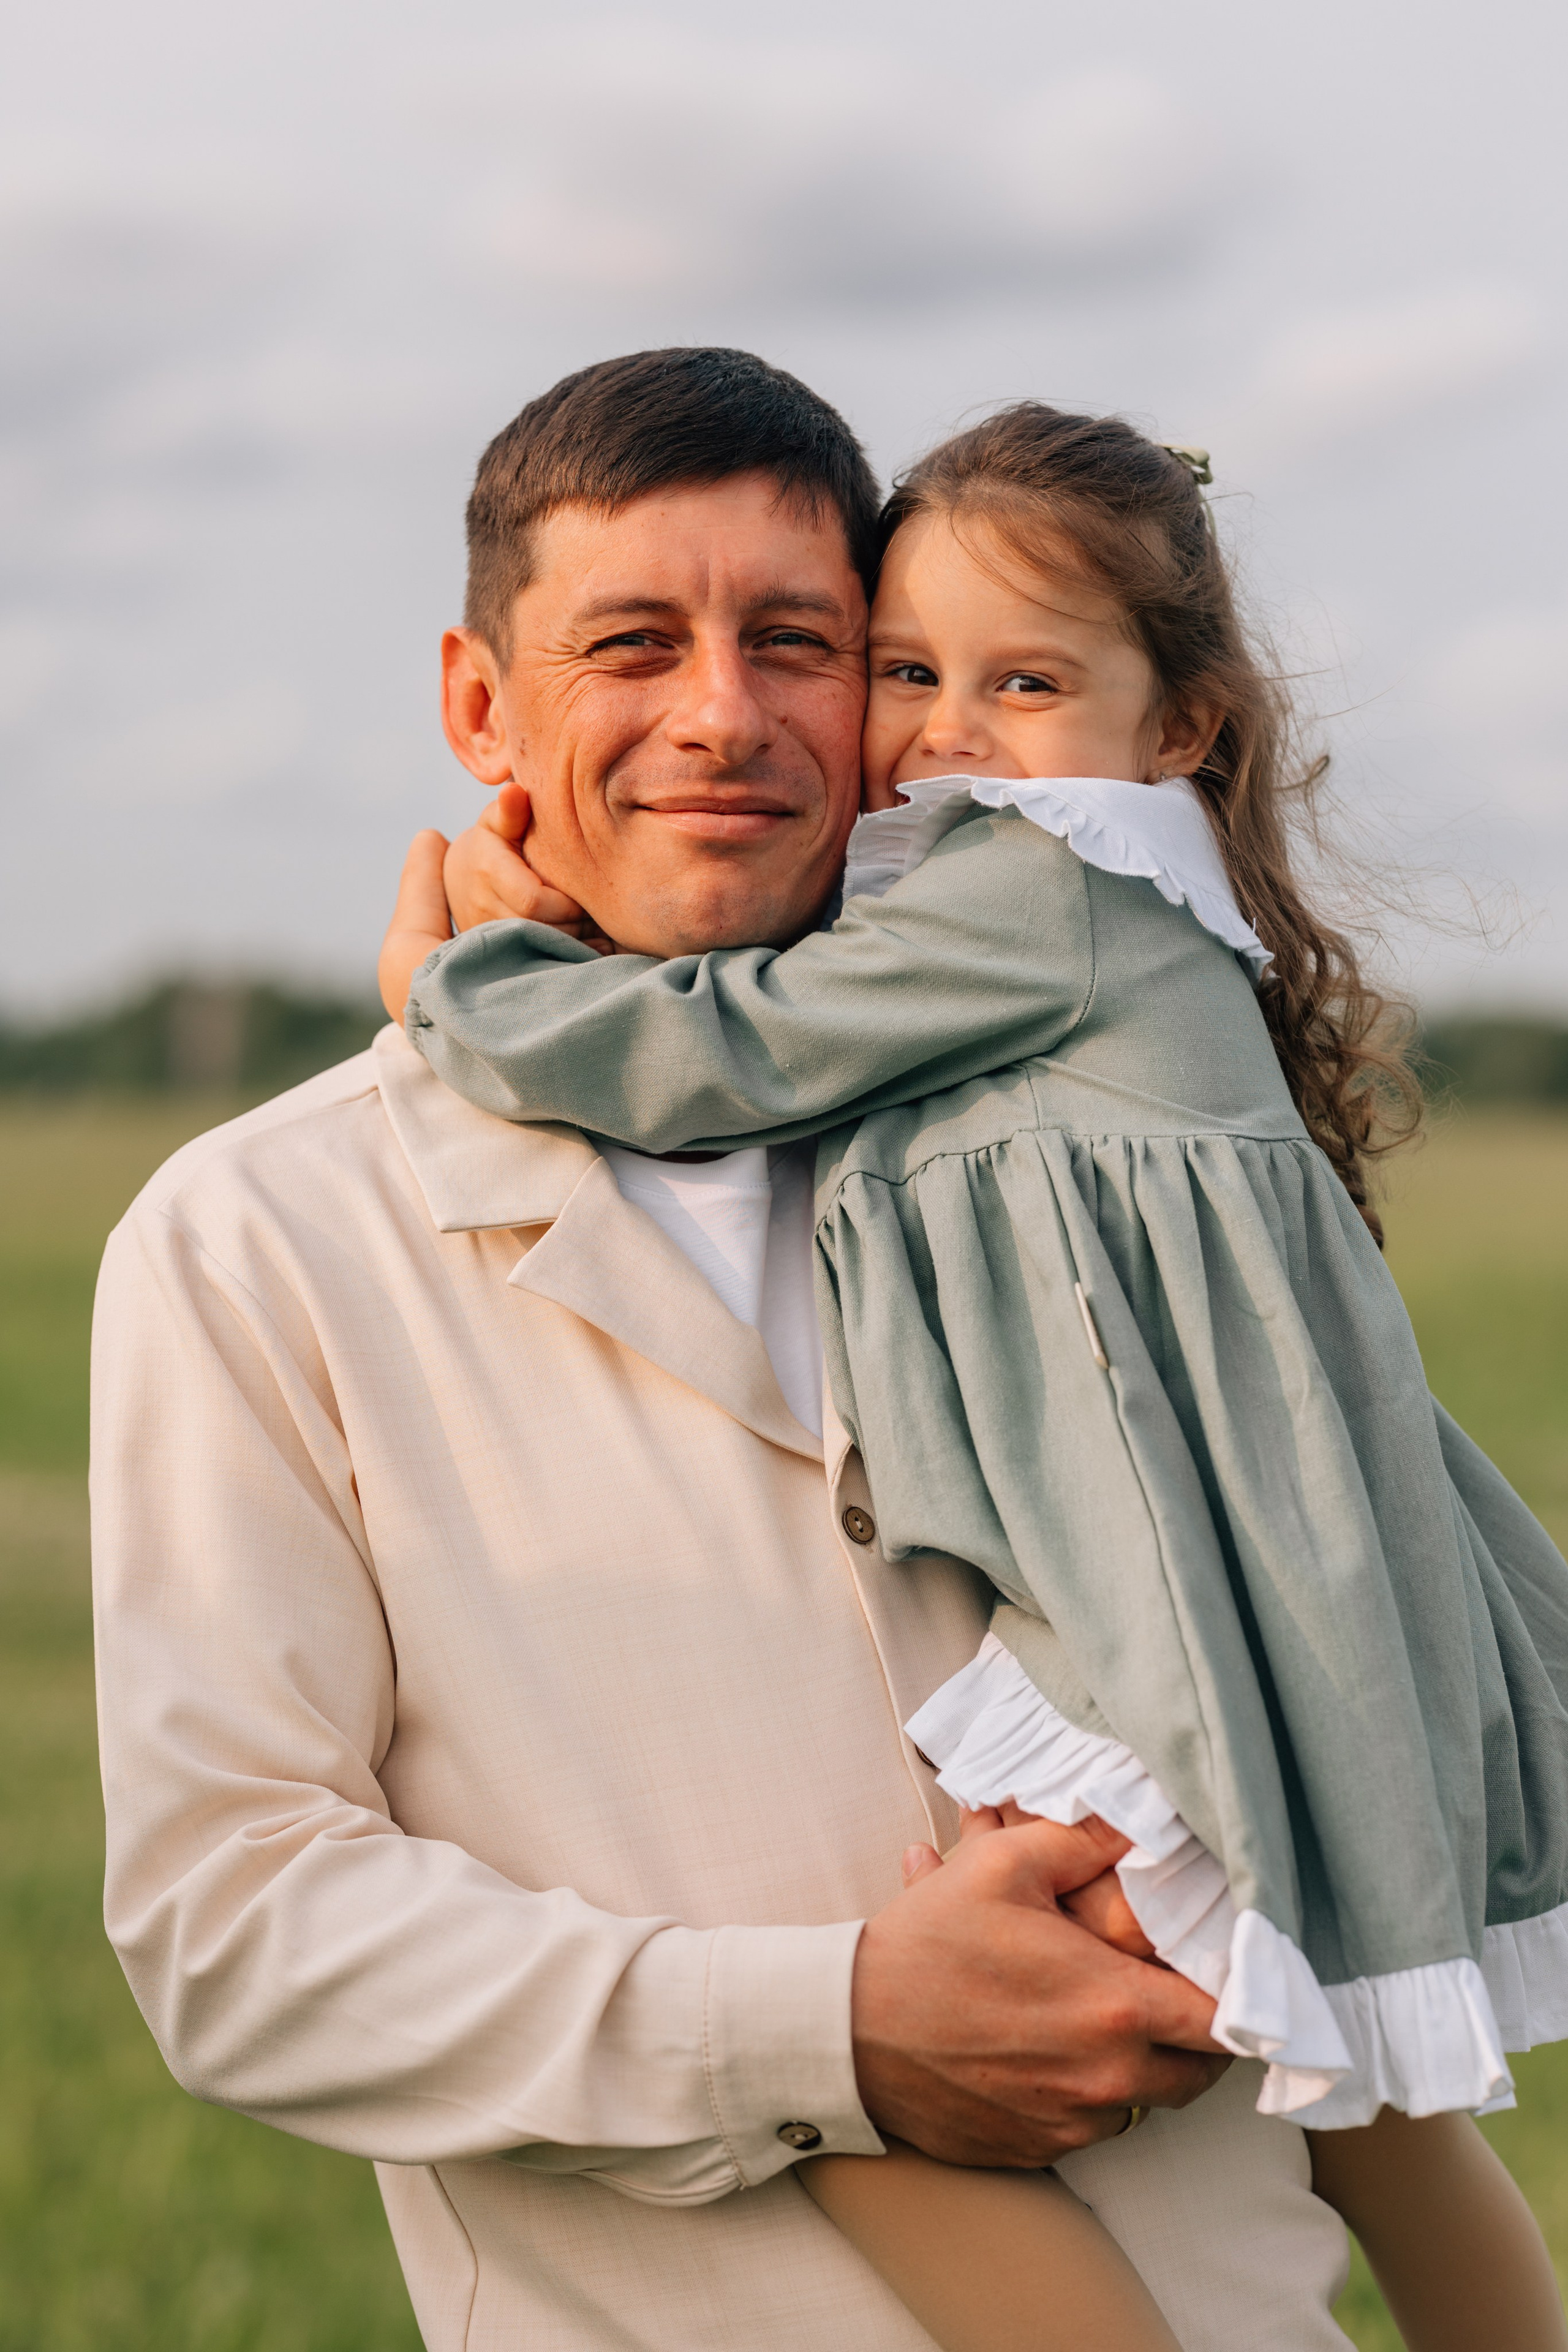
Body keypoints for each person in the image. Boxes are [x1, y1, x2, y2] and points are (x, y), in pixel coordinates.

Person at [94, 349, 1359, 2352]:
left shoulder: (1087, 1141)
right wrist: (834, 2029)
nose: (724, 716)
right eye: (629, 643)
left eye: (801, 641)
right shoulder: (263, 1238)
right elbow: (238, 1935)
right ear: (474, 702)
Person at [385, 398, 1568, 2351]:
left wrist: (469, 974)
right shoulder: (1069, 883)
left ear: (1178, 723)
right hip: (1247, 1569)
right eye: (910, 670)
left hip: (1169, 1594)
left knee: (903, 2081)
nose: (942, 729)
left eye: (1021, 680)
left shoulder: (1033, 887)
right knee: (1371, 2098)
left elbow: (719, 1048)